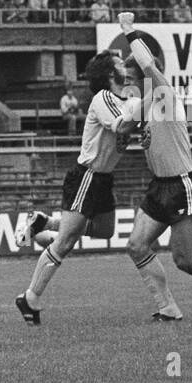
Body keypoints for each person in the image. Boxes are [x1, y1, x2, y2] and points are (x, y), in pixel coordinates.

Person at [116, 12, 192, 322]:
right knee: (136, 246)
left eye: (130, 80)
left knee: (184, 259)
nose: (126, 85)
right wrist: (122, 131)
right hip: (158, 186)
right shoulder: (142, 107)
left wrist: (128, 30)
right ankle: (167, 308)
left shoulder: (164, 95)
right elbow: (121, 129)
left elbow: (147, 65)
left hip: (182, 186)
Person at [13, 52, 141, 325]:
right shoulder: (104, 98)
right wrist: (152, 103)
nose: (125, 68)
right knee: (65, 242)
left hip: (103, 178)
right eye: (120, 65)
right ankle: (30, 297)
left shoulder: (126, 99)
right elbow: (122, 126)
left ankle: (44, 221)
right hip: (87, 176)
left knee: (105, 230)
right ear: (110, 75)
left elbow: (137, 113)